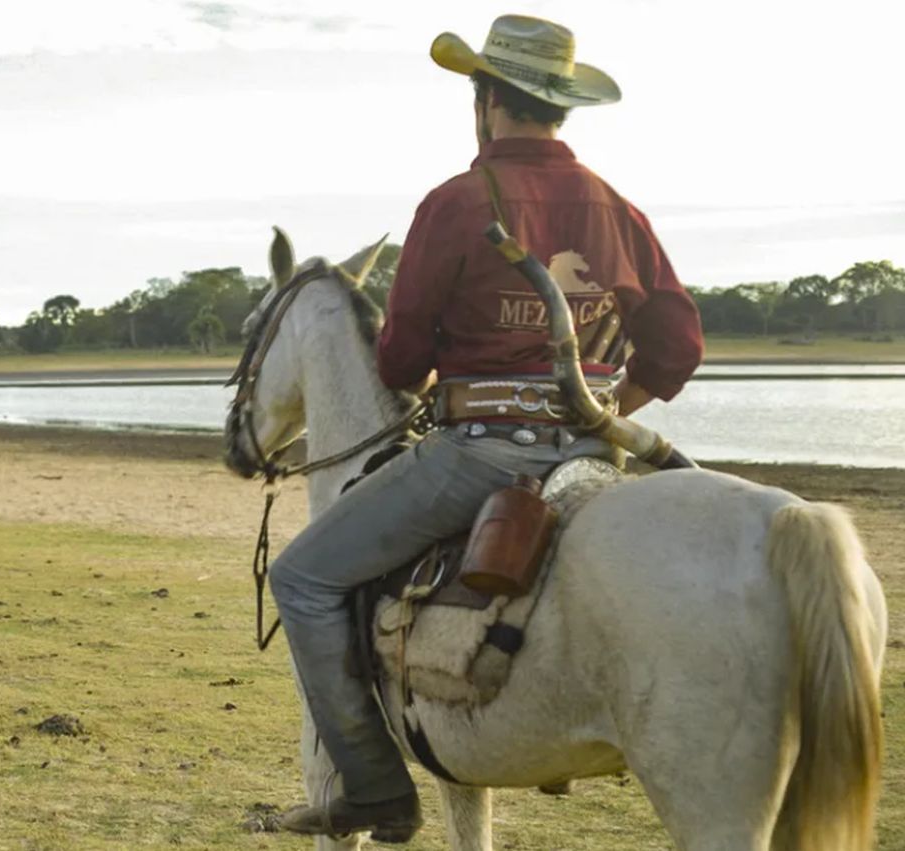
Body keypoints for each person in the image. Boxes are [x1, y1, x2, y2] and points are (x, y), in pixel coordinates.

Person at [270, 14, 704, 841]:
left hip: (475, 457)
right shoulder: (617, 206)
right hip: (593, 459)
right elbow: (680, 346)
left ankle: (372, 788)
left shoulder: (457, 202)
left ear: (485, 99)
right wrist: (598, 413)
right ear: (559, 108)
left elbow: (397, 363)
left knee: (305, 578)